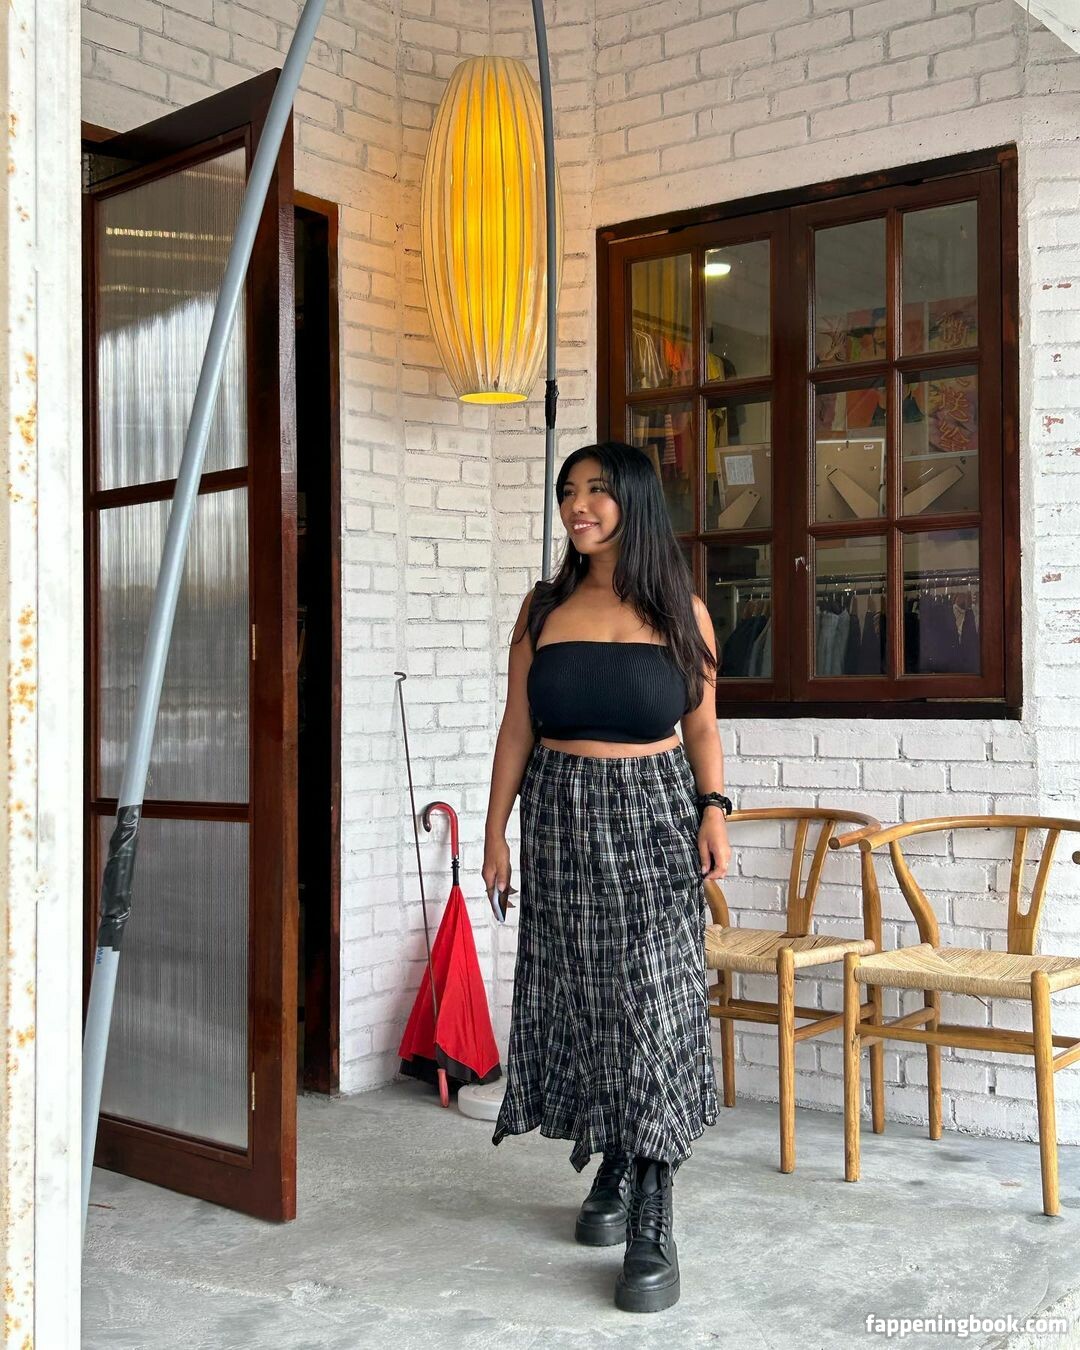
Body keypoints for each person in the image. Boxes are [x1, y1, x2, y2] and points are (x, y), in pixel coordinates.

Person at [481, 440, 732, 1314]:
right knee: (589, 1001)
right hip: (559, 818)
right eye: (568, 492)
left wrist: (714, 808)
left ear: (634, 500)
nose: (577, 506)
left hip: (655, 816)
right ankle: (617, 1156)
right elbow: (517, 727)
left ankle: (653, 1207)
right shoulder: (543, 608)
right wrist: (494, 833)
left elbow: (703, 727)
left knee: (655, 1004)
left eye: (596, 490)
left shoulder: (682, 612)